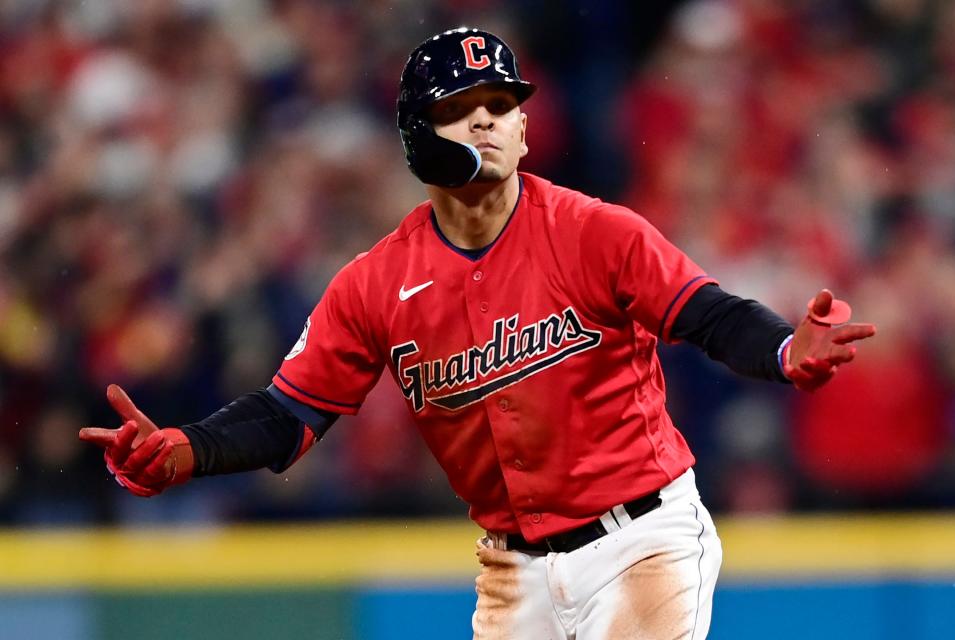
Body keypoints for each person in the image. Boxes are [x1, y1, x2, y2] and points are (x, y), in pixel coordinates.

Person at [79, 27, 876, 639]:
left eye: (501, 105)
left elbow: (706, 313)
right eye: (463, 110)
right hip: (509, 568)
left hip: (641, 538)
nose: (490, 121)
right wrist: (190, 448)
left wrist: (779, 351)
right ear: (419, 137)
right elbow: (291, 415)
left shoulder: (594, 231)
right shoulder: (375, 282)